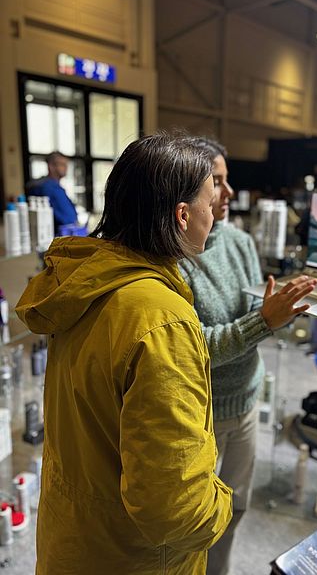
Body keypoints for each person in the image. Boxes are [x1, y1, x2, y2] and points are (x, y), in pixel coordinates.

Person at [15, 133, 233, 575]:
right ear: (182, 215)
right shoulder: (162, 321)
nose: (214, 214)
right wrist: (221, 503)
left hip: (73, 541)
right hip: (134, 559)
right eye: (209, 203)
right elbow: (174, 510)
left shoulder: (82, 285)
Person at [179, 137, 316, 575]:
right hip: (203, 414)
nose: (229, 192)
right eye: (216, 182)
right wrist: (263, 321)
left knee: (236, 507)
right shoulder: (175, 258)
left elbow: (261, 315)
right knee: (195, 523)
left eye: (226, 179)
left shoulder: (238, 241)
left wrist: (285, 309)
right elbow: (192, 347)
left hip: (245, 400)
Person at [27, 151, 78, 230]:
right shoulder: (50, 188)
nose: (66, 168)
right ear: (51, 166)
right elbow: (69, 219)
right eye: (62, 164)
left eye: (66, 164)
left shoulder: (40, 184)